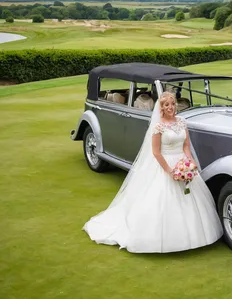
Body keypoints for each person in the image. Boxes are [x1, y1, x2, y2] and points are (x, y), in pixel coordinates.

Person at [83, 91, 223, 253]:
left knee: (191, 198)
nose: (170, 107)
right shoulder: (158, 127)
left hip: (182, 163)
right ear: (161, 108)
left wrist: (190, 161)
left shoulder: (182, 122)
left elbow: (185, 145)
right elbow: (156, 152)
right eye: (166, 105)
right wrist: (170, 171)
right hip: (165, 164)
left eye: (172, 104)